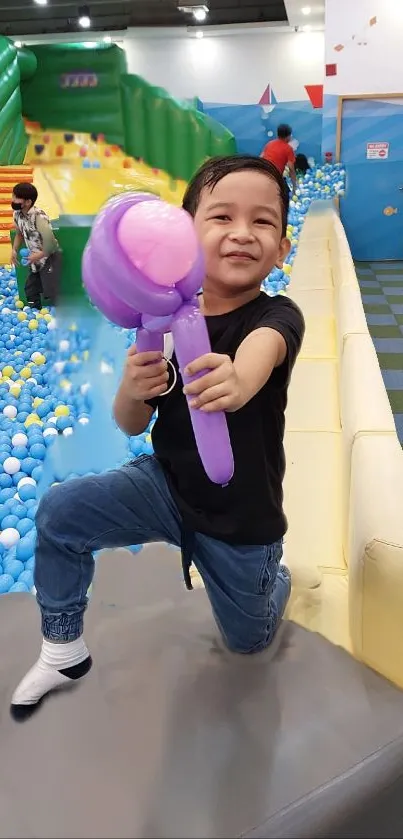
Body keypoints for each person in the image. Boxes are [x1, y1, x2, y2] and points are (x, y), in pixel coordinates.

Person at [10, 154, 305, 720]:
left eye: (263, 222)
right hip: (165, 484)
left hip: (240, 516)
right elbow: (128, 423)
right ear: (184, 234)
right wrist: (133, 385)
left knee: (249, 640)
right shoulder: (164, 317)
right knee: (59, 513)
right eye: (221, 217)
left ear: (282, 249)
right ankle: (63, 648)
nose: (243, 233)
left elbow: (258, 358)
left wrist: (236, 379)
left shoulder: (276, 317)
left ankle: (276, 581)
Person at [11, 182, 61, 309]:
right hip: (35, 258)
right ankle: (34, 311)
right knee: (30, 288)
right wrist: (14, 250)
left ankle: (60, 313)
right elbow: (19, 234)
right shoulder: (17, 214)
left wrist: (38, 255)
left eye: (16, 197)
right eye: (13, 196)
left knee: (50, 288)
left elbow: (51, 243)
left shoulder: (39, 217)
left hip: (49, 256)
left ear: (28, 202)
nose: (13, 200)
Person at [261, 124, 298, 194]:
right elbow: (291, 169)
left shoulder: (270, 143)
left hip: (263, 173)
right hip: (275, 177)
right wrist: (294, 187)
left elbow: (261, 157)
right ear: (288, 137)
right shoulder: (288, 149)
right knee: (285, 194)